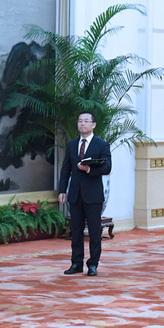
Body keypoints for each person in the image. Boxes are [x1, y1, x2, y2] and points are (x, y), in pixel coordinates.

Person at [58, 111, 112, 276]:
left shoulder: (102, 145)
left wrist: (89, 169)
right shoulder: (72, 144)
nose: (82, 124)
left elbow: (107, 168)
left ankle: (93, 264)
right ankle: (76, 263)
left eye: (86, 121)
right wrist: (62, 190)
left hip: (93, 195)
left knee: (95, 232)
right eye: (80, 121)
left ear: (93, 124)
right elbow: (66, 168)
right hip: (75, 194)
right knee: (76, 231)